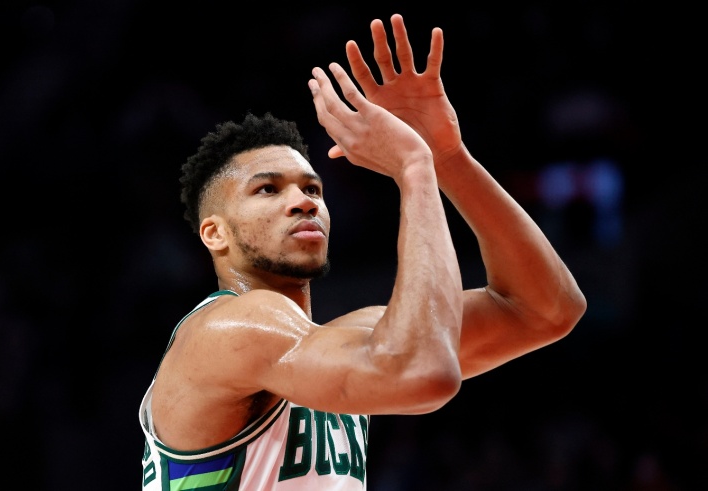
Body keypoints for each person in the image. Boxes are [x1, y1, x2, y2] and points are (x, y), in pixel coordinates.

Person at [139, 13, 586, 491]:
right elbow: (421, 374)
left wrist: (448, 157)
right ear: (215, 234)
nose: (303, 201)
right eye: (268, 189)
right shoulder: (228, 329)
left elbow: (546, 310)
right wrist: (415, 168)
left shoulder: (338, 344)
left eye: (312, 188)